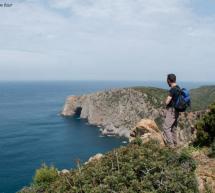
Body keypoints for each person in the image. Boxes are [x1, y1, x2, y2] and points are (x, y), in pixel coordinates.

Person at [163, 74, 180, 148]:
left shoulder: (172, 89)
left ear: (169, 80)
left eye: (167, 80)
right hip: (177, 110)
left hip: (172, 110)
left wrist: (164, 102)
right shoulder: (178, 88)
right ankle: (175, 145)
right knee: (173, 128)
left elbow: (167, 101)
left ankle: (171, 146)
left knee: (166, 128)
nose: (167, 82)